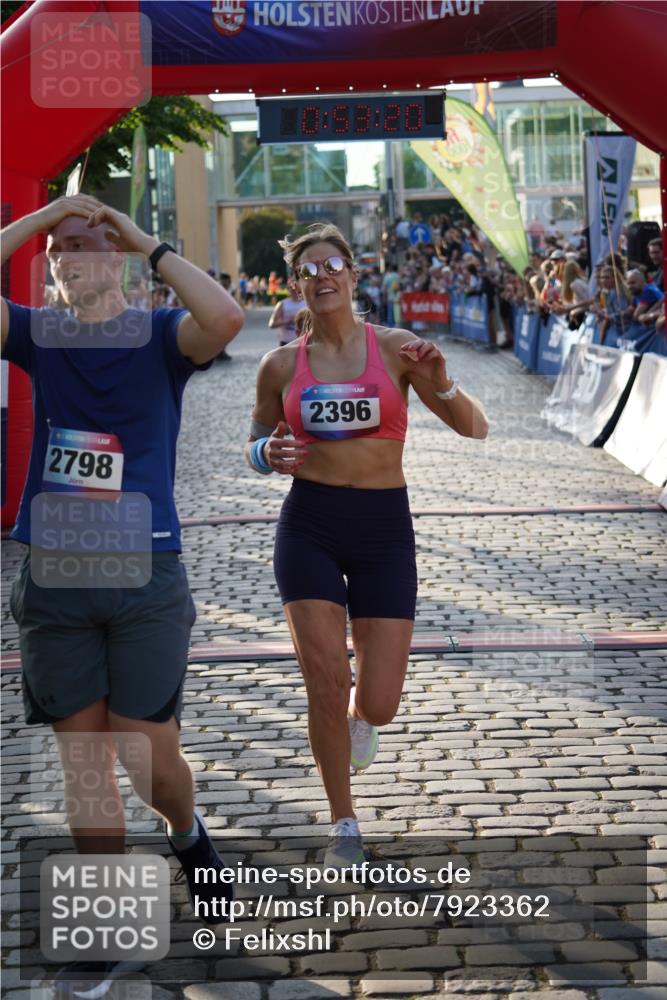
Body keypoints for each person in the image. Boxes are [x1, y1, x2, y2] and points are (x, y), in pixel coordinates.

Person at [0, 195, 244, 997]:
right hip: (57, 581)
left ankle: (188, 836)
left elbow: (227, 319)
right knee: (86, 768)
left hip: (145, 573)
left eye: (87, 246)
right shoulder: (42, 334)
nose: (71, 259)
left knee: (148, 759)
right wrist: (39, 224)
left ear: (119, 258)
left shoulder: (158, 336)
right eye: (60, 250)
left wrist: (145, 242)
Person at [243, 223, 489, 865]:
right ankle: (343, 821)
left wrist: (438, 380)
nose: (321, 277)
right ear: (295, 286)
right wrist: (266, 453)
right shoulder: (278, 365)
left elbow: (476, 429)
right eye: (308, 270)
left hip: (384, 528)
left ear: (354, 274)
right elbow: (255, 446)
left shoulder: (399, 347)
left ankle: (358, 720)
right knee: (324, 680)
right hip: (310, 527)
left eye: (333, 266)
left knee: (376, 702)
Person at [268, 282, 302, 346]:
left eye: (296, 288)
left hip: (303, 342)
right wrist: (288, 321)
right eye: (291, 288)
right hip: (286, 342)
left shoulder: (306, 303)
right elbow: (271, 324)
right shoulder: (282, 304)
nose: (294, 290)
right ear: (288, 289)